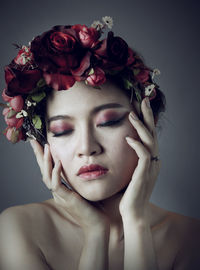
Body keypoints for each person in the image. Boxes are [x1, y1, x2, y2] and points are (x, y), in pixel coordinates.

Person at [0, 16, 200, 270]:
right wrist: (96, 232)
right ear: (42, 142)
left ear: (147, 124)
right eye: (62, 130)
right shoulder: (20, 228)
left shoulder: (191, 240)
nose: (87, 147)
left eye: (108, 122)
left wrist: (136, 222)